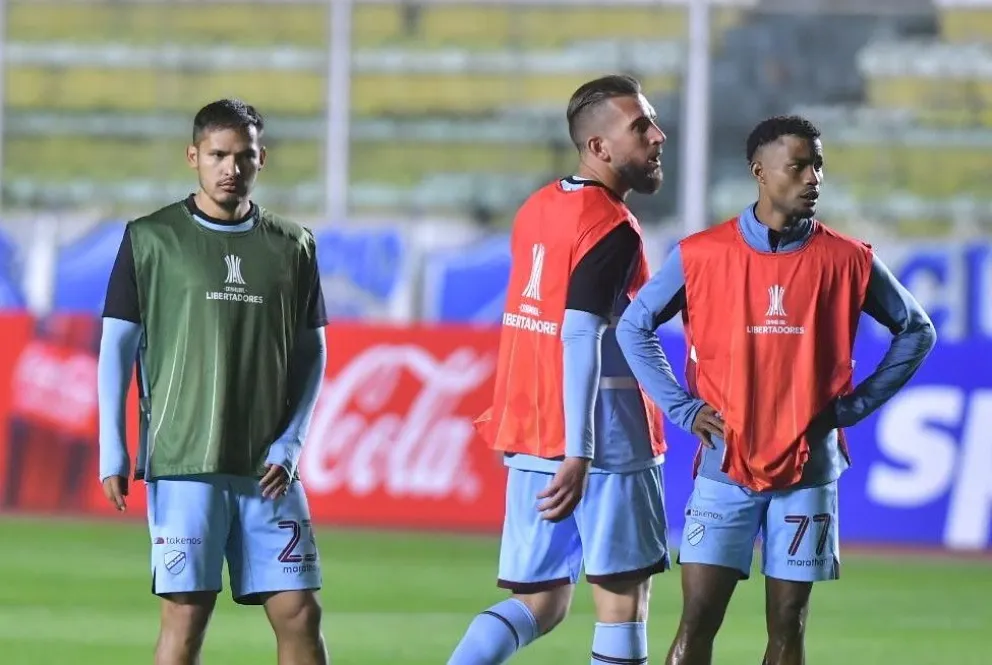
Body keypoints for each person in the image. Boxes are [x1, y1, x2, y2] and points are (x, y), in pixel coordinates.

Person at [616, 115, 937, 665]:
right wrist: (682, 407)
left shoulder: (849, 259)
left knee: (789, 626)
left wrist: (856, 406)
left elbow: (917, 330)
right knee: (698, 621)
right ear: (760, 172)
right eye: (800, 166)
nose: (814, 177)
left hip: (809, 473)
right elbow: (633, 325)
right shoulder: (701, 254)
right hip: (725, 468)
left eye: (819, 165)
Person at [97, 99, 330, 665]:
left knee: (300, 612)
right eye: (218, 155)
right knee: (186, 615)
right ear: (193, 156)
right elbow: (116, 348)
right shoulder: (151, 238)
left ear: (261, 160)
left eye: (243, 156)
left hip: (269, 468)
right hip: (184, 461)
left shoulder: (292, 244)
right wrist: (114, 446)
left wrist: (292, 441)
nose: (231, 167)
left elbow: (312, 352)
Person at [448, 74, 669, 665]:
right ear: (599, 148)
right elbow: (576, 332)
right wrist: (581, 451)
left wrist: (515, 423)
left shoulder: (539, 207)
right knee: (623, 601)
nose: (658, 136)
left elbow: (525, 319)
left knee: (542, 600)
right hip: (602, 442)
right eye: (640, 127)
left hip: (531, 434)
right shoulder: (611, 226)